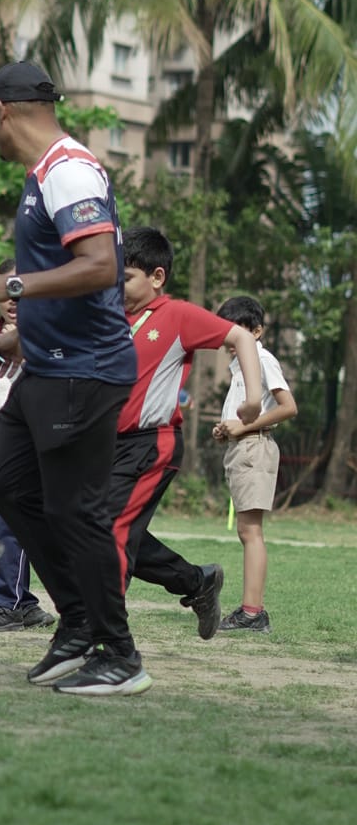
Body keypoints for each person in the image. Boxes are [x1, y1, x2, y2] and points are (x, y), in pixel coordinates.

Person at [0, 60, 148, 696]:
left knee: (75, 512)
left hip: (86, 374)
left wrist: (9, 286)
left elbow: (99, 268)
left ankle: (118, 652)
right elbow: (71, 281)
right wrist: (22, 332)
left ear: (3, 110)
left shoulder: (69, 170)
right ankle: (76, 622)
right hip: (48, 366)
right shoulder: (46, 175)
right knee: (10, 488)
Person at [111, 227, 263, 638]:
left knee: (112, 534)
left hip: (151, 444)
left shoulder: (176, 315)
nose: (116, 286)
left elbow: (240, 339)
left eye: (125, 278)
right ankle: (197, 582)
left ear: (157, 277)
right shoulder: (111, 318)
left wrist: (252, 398)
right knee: (99, 530)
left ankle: (101, 635)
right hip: (105, 447)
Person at [0, 258, 54, 633]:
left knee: (10, 525)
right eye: (7, 289)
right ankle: (25, 601)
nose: (13, 299)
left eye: (21, 288)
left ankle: (5, 605)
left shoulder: (48, 339)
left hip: (27, 432)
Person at [212, 295, 297, 634]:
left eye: (238, 330)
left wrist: (244, 427)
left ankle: (252, 612)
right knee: (246, 530)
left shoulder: (262, 359)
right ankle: (251, 609)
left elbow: (288, 406)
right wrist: (226, 428)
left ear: (257, 331)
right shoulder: (240, 367)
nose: (229, 339)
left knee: (251, 531)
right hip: (241, 447)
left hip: (254, 447)